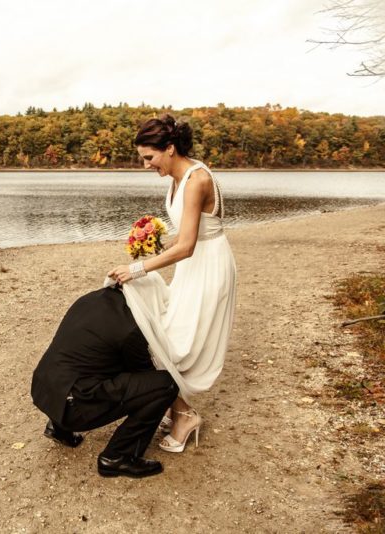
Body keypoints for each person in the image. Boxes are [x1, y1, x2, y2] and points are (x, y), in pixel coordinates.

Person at [106, 114, 237, 453]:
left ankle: (184, 415)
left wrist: (138, 268)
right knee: (162, 335)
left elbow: (190, 244)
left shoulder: (196, 180)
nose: (146, 165)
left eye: (149, 157)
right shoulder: (175, 178)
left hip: (208, 266)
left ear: (170, 148)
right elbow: (185, 236)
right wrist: (150, 243)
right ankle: (174, 407)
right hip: (192, 264)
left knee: (174, 342)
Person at [31, 286, 178, 479]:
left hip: (44, 390)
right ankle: (118, 457)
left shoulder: (90, 298)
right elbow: (143, 374)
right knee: (164, 385)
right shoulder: (131, 327)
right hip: (74, 406)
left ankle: (59, 429)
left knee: (85, 363)